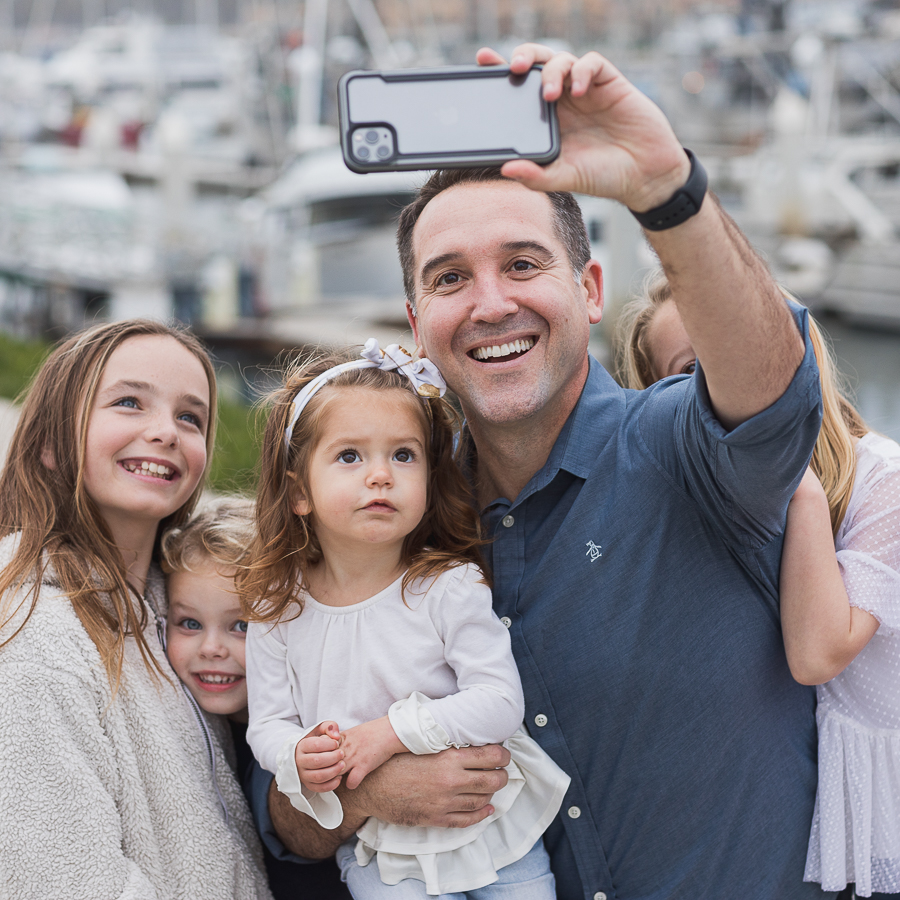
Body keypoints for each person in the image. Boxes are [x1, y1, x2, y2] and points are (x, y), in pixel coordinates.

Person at [257, 42, 828, 900]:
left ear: (592, 290)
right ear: (418, 323)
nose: (491, 303)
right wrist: (369, 789)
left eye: (523, 264)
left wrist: (662, 186)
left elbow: (774, 386)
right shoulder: (381, 521)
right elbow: (288, 827)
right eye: (452, 278)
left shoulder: (685, 448)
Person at [239, 341, 570, 898]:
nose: (380, 476)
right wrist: (295, 754)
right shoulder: (278, 610)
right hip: (381, 849)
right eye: (350, 456)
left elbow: (499, 701)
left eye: (403, 455)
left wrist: (388, 735)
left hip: (488, 824)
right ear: (299, 491)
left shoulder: (448, 586)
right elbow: (268, 724)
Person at [621, 278, 900, 898]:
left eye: (736, 348)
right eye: (692, 369)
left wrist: (795, 480)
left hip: (881, 801)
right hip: (795, 814)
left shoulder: (881, 478)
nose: (726, 377)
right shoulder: (702, 504)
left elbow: (818, 652)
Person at [0, 320, 272, 900]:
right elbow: (63, 881)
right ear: (50, 442)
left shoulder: (177, 610)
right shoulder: (33, 639)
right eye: (129, 402)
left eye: (190, 417)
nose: (165, 432)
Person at [161, 497, 350, 899]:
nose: (212, 648)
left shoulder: (319, 714)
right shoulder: (185, 726)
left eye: (241, 625)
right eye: (189, 623)